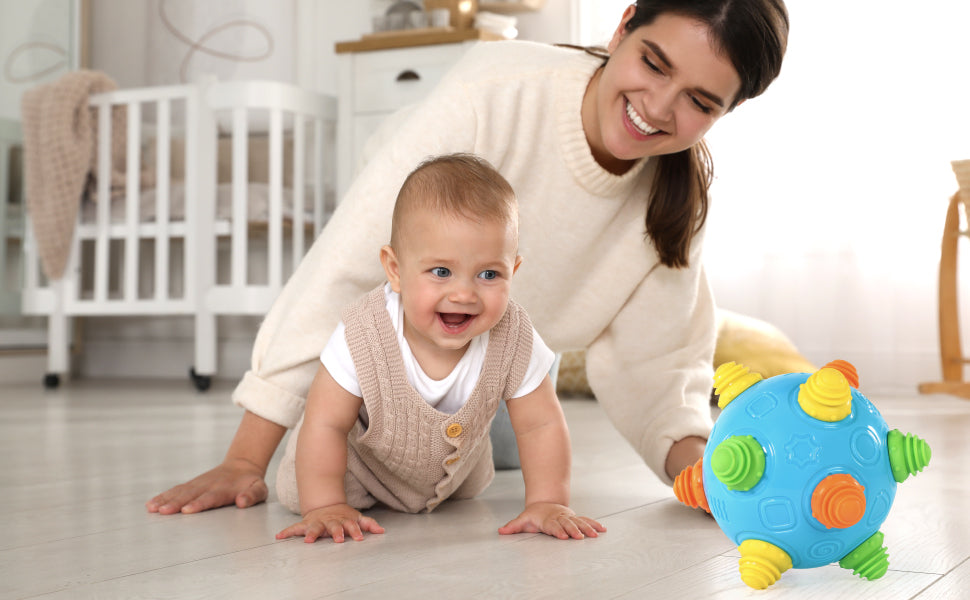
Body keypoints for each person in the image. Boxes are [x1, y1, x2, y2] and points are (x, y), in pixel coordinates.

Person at [146, 0, 789, 516]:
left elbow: (660, 364)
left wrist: (703, 474)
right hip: (402, 345)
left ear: (727, 111)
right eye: (653, 63)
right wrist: (245, 460)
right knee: (353, 441)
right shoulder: (495, 90)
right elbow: (340, 274)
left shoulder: (676, 203)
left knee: (490, 457)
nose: (658, 107)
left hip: (498, 369)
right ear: (623, 27)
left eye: (701, 102)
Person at [273, 153, 604, 542]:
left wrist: (548, 502)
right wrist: (325, 504)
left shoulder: (514, 335)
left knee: (473, 482)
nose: (464, 293)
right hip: (359, 468)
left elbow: (541, 424)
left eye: (489, 274)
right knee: (301, 489)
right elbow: (326, 422)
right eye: (441, 272)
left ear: (513, 271)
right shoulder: (363, 333)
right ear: (395, 270)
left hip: (454, 476)